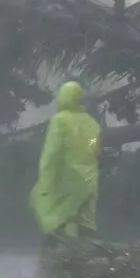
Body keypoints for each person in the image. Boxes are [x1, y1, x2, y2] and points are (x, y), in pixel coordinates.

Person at [30, 81, 102, 242]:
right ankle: (92, 258)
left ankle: (55, 256)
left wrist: (45, 181)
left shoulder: (60, 121)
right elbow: (94, 148)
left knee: (51, 214)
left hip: (68, 180)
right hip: (90, 182)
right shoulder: (93, 124)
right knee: (87, 225)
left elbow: (51, 153)